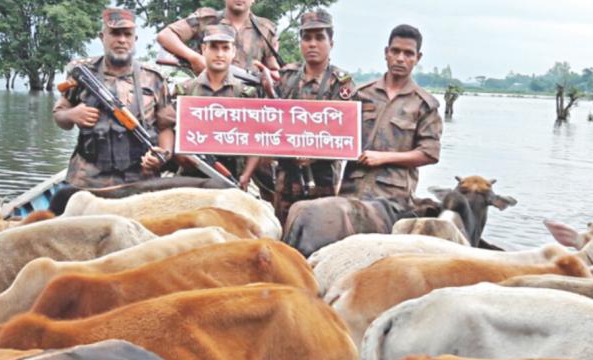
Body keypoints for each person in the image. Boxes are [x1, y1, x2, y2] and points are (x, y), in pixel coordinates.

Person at [240, 10, 355, 223]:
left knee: (321, 232)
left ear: (331, 43)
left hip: (323, 178)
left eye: (320, 38)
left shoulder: (341, 83)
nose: (312, 44)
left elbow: (344, 133)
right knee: (284, 233)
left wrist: (313, 151)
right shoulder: (287, 77)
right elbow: (271, 123)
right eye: (307, 38)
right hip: (286, 177)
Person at [53, 8, 175, 189]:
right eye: (115, 33)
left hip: (140, 179)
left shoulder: (154, 78)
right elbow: (59, 115)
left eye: (127, 34)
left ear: (135, 40)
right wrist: (72, 115)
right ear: (102, 37)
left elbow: (166, 126)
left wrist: (162, 156)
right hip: (87, 179)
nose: (122, 40)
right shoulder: (82, 72)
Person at [340, 24, 443, 210]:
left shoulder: (424, 104)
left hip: (394, 199)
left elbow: (429, 153)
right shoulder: (361, 95)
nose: (400, 59)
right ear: (386, 53)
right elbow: (337, 136)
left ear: (417, 58)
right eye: (395, 51)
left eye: (408, 54)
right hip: (351, 191)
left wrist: (384, 157)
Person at [173, 24, 260, 180]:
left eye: (225, 48)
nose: (219, 54)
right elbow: (169, 131)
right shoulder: (184, 90)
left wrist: (246, 175)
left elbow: (257, 139)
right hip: (191, 175)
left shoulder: (246, 94)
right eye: (213, 48)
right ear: (203, 49)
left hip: (232, 174)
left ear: (233, 52)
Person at [157, 0, 281, 76]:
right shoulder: (207, 19)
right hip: (207, 95)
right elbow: (165, 36)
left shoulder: (265, 29)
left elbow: (273, 68)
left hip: (248, 102)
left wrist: (269, 76)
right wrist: (194, 58)